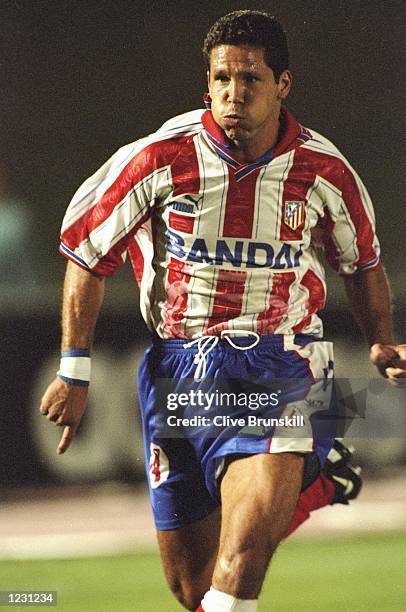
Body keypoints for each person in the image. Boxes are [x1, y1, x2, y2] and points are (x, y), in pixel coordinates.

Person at [39, 10, 406, 611]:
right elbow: (86, 252)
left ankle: (301, 467)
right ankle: (315, 483)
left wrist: (381, 340)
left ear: (283, 84)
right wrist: (74, 369)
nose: (235, 94)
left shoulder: (324, 171)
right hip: (177, 373)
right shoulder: (159, 157)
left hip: (281, 365)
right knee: (194, 587)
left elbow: (361, 263)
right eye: (223, 79)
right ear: (207, 84)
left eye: (251, 80)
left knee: (241, 567)